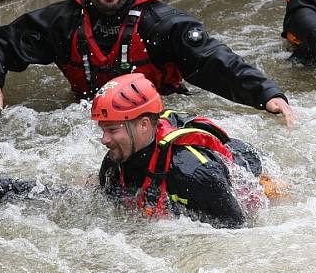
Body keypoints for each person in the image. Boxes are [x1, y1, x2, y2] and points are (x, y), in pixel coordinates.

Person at [0, 0, 295, 126]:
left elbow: (214, 60)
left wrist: (265, 93)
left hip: (158, 115)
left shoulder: (160, 24)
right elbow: (6, 40)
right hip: (85, 118)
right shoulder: (64, 23)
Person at [91, 73, 269, 228]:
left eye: (112, 130)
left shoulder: (193, 173)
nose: (104, 140)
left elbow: (239, 228)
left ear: (143, 125)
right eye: (103, 130)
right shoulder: (114, 162)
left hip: (252, 168)